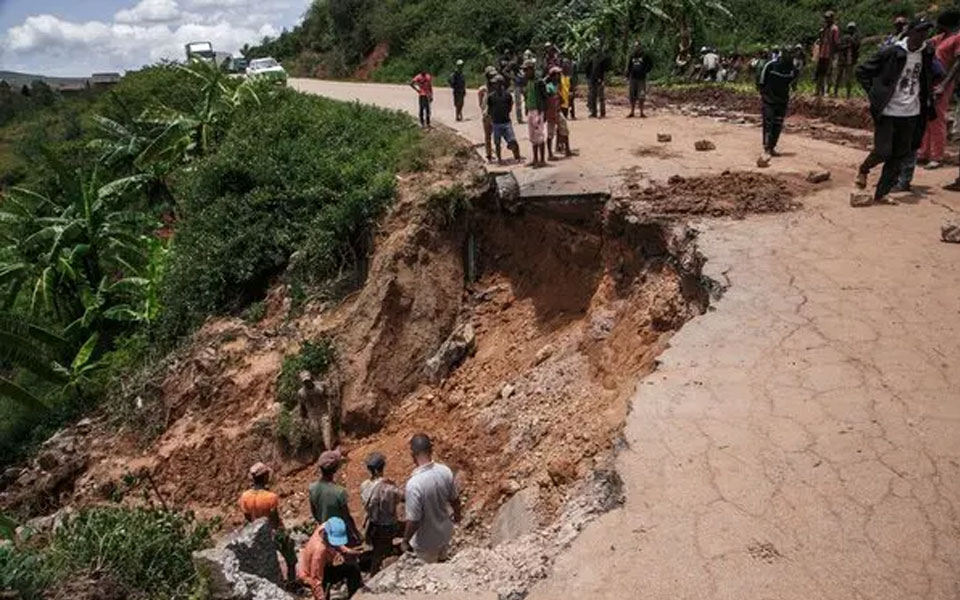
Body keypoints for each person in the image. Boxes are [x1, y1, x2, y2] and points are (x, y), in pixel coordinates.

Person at [855, 17, 937, 203]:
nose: (923, 35)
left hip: (912, 112)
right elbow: (862, 71)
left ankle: (882, 193)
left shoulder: (927, 53)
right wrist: (876, 94)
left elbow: (931, 75)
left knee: (900, 154)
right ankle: (864, 169)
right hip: (888, 111)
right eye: (920, 31)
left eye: (926, 32)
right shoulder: (891, 52)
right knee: (883, 151)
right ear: (910, 32)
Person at [402, 434, 461, 563]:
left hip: (425, 542)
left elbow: (414, 520)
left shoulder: (414, 484)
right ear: (431, 451)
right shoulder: (445, 471)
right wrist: (457, 516)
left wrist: (405, 540)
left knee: (430, 576)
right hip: (445, 534)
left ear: (413, 455)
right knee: (443, 565)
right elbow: (455, 500)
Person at [916, 9, 960, 171]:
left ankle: (937, 156)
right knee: (926, 116)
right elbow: (926, 43)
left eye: (940, 25)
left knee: (937, 118)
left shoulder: (957, 38)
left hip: (944, 82)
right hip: (930, 80)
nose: (937, 28)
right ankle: (923, 152)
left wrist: (944, 84)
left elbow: (957, 63)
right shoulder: (940, 38)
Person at [240, 462, 297, 582]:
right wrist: (282, 533)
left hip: (256, 535)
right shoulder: (271, 497)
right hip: (273, 532)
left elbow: (247, 517)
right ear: (265, 476)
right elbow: (274, 518)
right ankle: (292, 582)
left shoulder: (245, 497)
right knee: (291, 558)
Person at [360, 452, 404, 575]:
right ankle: (376, 575)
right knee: (380, 554)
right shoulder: (387, 487)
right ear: (382, 467)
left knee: (378, 551)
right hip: (387, 526)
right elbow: (402, 497)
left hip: (372, 525)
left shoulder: (364, 485)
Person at [298, 518, 364, 600]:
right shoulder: (319, 551)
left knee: (353, 569)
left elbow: (335, 542)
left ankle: (354, 597)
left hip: (324, 566)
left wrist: (348, 551)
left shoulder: (325, 527)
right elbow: (316, 579)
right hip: (310, 575)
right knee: (322, 590)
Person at [756, 45, 800, 167]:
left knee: (778, 123)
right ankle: (766, 148)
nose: (790, 57)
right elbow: (761, 81)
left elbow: (793, 83)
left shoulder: (792, 69)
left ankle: (773, 147)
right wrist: (764, 95)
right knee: (768, 122)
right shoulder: (770, 65)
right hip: (769, 99)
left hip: (782, 100)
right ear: (783, 54)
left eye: (792, 54)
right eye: (788, 54)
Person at [309, 450, 362, 543]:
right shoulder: (339, 492)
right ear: (335, 470)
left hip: (324, 531)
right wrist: (357, 533)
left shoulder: (312, 488)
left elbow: (314, 513)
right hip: (340, 534)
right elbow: (346, 517)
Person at [298, 370, 337, 452]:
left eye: (308, 380)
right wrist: (303, 416)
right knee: (316, 435)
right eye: (305, 382)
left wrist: (331, 405)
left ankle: (330, 450)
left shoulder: (320, 386)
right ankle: (322, 453)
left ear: (311, 378)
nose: (307, 383)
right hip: (313, 416)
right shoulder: (301, 393)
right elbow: (302, 405)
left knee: (327, 434)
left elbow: (329, 395)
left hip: (324, 414)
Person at [487, 75, 522, 164]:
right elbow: (490, 109)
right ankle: (499, 159)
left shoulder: (507, 95)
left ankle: (517, 156)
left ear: (501, 84)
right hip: (496, 123)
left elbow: (510, 106)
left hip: (506, 121)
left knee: (512, 140)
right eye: (494, 84)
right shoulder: (491, 97)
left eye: (496, 83)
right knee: (497, 143)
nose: (495, 85)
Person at [522, 60, 548, 167]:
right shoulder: (527, 82)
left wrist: (544, 112)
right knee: (532, 136)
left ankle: (542, 160)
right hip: (531, 110)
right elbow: (527, 96)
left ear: (532, 69)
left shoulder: (539, 82)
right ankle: (535, 159)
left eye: (526, 70)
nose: (525, 73)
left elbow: (545, 97)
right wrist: (526, 109)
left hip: (538, 111)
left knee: (539, 135)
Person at [815, 11, 841, 97]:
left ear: (832, 18)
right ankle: (818, 91)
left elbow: (836, 43)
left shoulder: (834, 29)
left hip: (829, 54)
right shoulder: (824, 29)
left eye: (828, 18)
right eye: (825, 18)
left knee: (828, 73)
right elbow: (821, 40)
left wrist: (833, 55)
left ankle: (827, 91)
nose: (826, 19)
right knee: (820, 72)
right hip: (822, 53)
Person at [626, 41, 653, 118]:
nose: (636, 47)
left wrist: (645, 71)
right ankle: (632, 112)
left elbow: (650, 65)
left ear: (641, 47)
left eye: (638, 46)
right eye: (635, 46)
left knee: (641, 95)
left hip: (641, 78)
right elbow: (629, 66)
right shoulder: (632, 55)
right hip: (633, 78)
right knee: (632, 96)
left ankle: (641, 112)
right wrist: (627, 75)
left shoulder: (645, 55)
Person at [834, 22, 861, 98]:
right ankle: (835, 92)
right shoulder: (844, 37)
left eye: (852, 28)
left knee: (848, 77)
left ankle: (848, 94)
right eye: (850, 28)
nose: (851, 30)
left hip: (850, 59)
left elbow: (857, 46)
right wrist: (847, 46)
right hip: (842, 59)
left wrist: (851, 41)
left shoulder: (856, 37)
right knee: (839, 76)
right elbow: (838, 47)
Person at [586, 43, 611, 118]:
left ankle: (602, 113)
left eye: (599, 48)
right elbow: (588, 68)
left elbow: (605, 70)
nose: (598, 49)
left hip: (600, 79)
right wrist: (589, 78)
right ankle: (594, 113)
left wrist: (603, 79)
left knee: (601, 97)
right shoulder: (592, 58)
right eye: (596, 48)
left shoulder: (603, 58)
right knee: (593, 97)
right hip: (592, 79)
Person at [478, 66, 497, 162]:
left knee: (496, 135)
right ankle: (489, 154)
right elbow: (480, 103)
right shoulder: (483, 89)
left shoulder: (496, 88)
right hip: (487, 115)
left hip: (494, 114)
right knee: (488, 136)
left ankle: (497, 153)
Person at [544, 66, 562, 160]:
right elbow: (549, 99)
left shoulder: (557, 85)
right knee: (550, 134)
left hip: (557, 111)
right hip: (551, 112)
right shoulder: (549, 86)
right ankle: (550, 154)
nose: (558, 76)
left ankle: (558, 147)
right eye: (557, 75)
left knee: (561, 130)